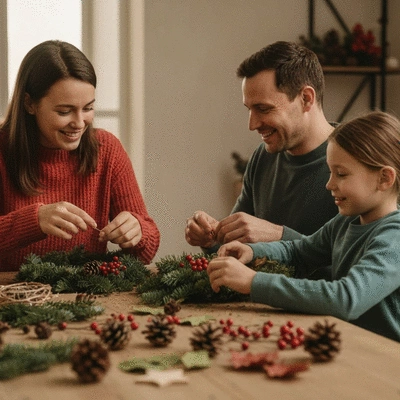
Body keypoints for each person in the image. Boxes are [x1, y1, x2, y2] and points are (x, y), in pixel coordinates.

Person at [207, 111, 400, 342]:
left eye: (341, 174)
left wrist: (252, 282)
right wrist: (253, 251)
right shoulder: (345, 222)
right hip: (351, 347)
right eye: (331, 172)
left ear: (384, 179)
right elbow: (299, 252)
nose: (330, 184)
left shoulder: (394, 239)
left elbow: (345, 299)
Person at [0, 40, 160, 271]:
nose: (78, 123)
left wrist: (138, 231)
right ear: (29, 103)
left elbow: (148, 250)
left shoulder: (107, 149)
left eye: (88, 108)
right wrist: (34, 221)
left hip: (87, 299)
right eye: (64, 111)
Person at [185, 41, 338, 272]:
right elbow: (236, 253)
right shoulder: (263, 157)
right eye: (249, 109)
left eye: (263, 109)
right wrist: (212, 240)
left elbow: (362, 273)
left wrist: (278, 235)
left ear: (306, 99)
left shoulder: (358, 160)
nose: (252, 124)